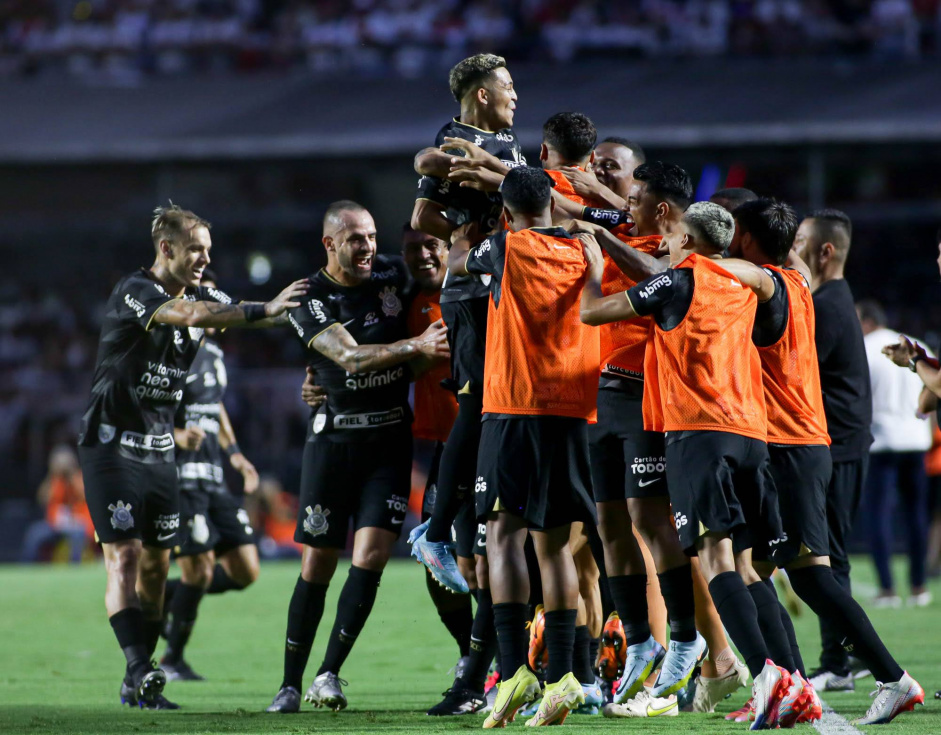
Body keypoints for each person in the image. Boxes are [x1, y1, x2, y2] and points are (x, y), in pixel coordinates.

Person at [77, 203, 307, 710]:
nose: (205, 258)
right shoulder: (137, 291)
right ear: (167, 249)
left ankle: (137, 676)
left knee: (159, 568)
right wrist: (265, 310)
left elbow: (223, 310)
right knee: (126, 558)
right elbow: (195, 315)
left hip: (161, 452)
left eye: (208, 249)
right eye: (195, 249)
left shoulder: (204, 292)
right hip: (111, 448)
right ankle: (141, 668)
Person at [579, 201, 793, 730]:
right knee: (749, 569)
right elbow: (769, 329)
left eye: (676, 237)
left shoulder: (678, 280)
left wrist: (592, 266)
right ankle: (791, 680)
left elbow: (592, 313)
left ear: (689, 242)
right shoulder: (755, 281)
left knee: (717, 563)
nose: (668, 244)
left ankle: (763, 679)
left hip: (699, 435)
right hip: (749, 433)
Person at [731, 199, 923, 727]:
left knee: (804, 573)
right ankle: (789, 683)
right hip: (805, 447)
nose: (797, 251)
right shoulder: (806, 289)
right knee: (767, 568)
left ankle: (881, 677)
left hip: (800, 449)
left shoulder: (801, 295)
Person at [266, 201, 449, 714]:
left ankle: (329, 674)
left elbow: (436, 268)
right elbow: (347, 356)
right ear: (329, 244)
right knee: (318, 562)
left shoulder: (391, 272)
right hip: (332, 445)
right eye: (355, 239)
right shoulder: (310, 298)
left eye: (371, 236)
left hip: (389, 442)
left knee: (370, 557)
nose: (368, 247)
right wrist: (416, 346)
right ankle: (287, 683)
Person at [448, 166, 600, 727]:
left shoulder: (504, 248)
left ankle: (514, 671)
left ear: (508, 212)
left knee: (502, 535)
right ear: (556, 203)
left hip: (512, 408)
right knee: (556, 547)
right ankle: (563, 675)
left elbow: (455, 265)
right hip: (572, 411)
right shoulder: (585, 251)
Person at [409, 53, 526, 593]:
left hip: (490, 286)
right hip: (473, 293)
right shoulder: (460, 141)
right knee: (477, 403)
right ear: (483, 94)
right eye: (507, 87)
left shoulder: (476, 139)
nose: (515, 96)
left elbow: (422, 214)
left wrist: (466, 223)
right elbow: (424, 201)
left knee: (488, 405)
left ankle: (459, 522)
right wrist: (472, 233)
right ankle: (436, 531)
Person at [159, 269, 262, 681]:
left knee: (245, 570)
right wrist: (175, 434)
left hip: (215, 475)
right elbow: (143, 406)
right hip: (180, 478)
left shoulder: (216, 354)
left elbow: (214, 407)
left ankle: (159, 594)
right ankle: (171, 659)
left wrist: (235, 454)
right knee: (198, 569)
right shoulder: (168, 348)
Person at [793, 209, 873, 692]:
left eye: (799, 240)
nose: (792, 247)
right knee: (825, 555)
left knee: (828, 557)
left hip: (838, 446)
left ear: (825, 251)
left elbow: (801, 373)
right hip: (843, 443)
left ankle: (839, 664)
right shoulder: (834, 300)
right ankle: (842, 660)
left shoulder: (827, 305)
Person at [857, 299, 932, 607]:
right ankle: (918, 587)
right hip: (916, 439)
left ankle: (887, 589)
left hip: (882, 440)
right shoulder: (918, 345)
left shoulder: (865, 347)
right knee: (916, 515)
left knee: (879, 515)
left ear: (866, 322)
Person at [20, 445, 93, 563]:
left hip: (77, 524)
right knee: (35, 533)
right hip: (56, 525)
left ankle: (76, 568)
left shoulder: (79, 477)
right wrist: (52, 474)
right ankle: (26, 567)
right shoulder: (54, 480)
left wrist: (71, 474)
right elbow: (42, 497)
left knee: (78, 535)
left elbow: (84, 495)